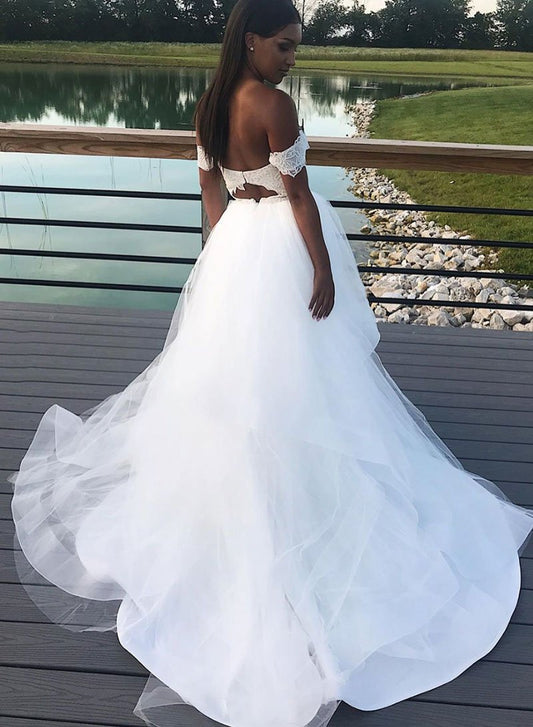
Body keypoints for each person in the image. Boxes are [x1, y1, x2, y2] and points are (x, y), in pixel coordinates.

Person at [7, 2, 533, 727]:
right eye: (284, 46)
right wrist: (322, 269)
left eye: (295, 47)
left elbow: (210, 190)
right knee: (300, 380)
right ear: (252, 40)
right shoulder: (274, 106)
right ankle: (300, 498)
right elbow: (302, 198)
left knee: (233, 385)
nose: (292, 58)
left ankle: (241, 496)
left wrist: (220, 261)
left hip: (233, 247)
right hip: (281, 246)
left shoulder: (210, 102)